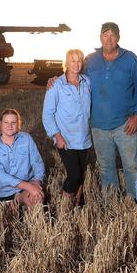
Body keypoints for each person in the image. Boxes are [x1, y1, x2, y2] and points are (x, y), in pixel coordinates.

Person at [85, 22, 137, 198]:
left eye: (113, 35)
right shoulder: (90, 60)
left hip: (125, 125)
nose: (109, 38)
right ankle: (111, 203)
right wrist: (56, 79)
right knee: (106, 167)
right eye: (105, 35)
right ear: (100, 38)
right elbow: (73, 77)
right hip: (98, 126)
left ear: (118, 38)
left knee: (131, 166)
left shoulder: (130, 58)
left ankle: (136, 201)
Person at [42, 49, 91, 207]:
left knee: (81, 174)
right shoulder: (56, 85)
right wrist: (57, 136)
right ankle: (63, 207)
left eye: (79, 60)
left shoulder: (87, 82)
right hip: (66, 139)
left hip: (84, 137)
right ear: (66, 63)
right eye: (72, 61)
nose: (76, 64)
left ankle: (77, 205)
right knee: (74, 175)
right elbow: (47, 114)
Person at [0, 109, 46, 210]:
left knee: (36, 198)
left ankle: (35, 224)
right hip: (5, 192)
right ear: (0, 124)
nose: (10, 126)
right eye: (6, 122)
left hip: (26, 186)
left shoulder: (26, 138)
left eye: (14, 122)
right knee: (11, 219)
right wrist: (29, 187)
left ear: (19, 124)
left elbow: (37, 162)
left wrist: (37, 182)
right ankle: (12, 205)